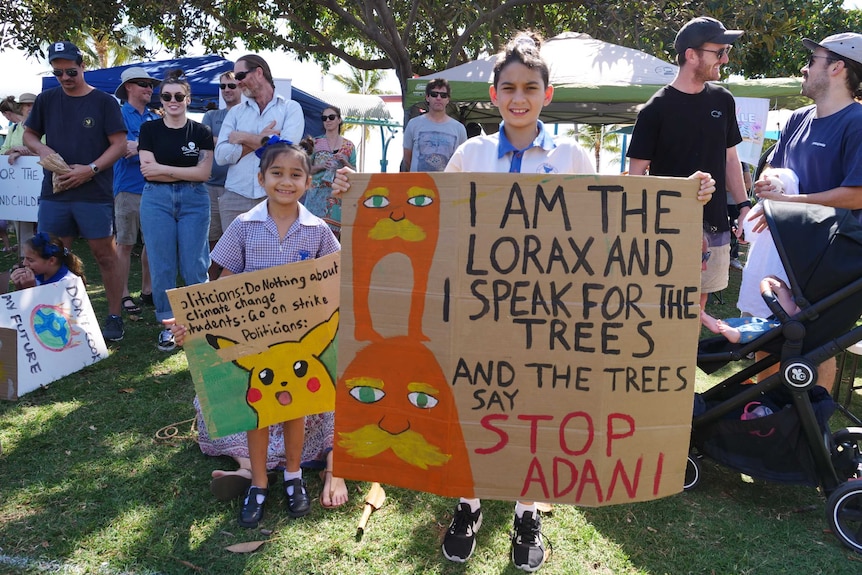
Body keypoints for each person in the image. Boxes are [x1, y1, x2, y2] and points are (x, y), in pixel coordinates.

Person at [330, 32, 714, 571]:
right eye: (508, 88)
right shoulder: (472, 152)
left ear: (546, 95)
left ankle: (528, 510)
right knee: (473, 403)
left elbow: (613, 216)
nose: (518, 98)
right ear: (493, 95)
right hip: (476, 311)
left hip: (548, 317)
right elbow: (432, 214)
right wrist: (355, 188)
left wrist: (684, 194)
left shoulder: (573, 156)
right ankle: (468, 503)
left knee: (538, 408)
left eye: (529, 88)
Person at [169, 137, 342, 528]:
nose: (286, 181)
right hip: (253, 344)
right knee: (258, 413)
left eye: (296, 174)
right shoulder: (244, 226)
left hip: (298, 346)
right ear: (261, 178)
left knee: (296, 408)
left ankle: (295, 477)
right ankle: (260, 484)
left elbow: (335, 282)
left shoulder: (318, 231)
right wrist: (192, 325)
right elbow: (222, 291)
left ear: (309, 182)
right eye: (277, 174)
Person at [750, 33, 862, 392]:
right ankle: (766, 417)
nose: (804, 65)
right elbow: (776, 170)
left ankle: (808, 432)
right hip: (785, 250)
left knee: (813, 347)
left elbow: (857, 195)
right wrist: (768, 186)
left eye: (813, 58)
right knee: (765, 336)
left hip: (832, 258)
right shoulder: (797, 119)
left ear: (836, 67)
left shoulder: (858, 122)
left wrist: (787, 206)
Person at [627, 16, 750, 319]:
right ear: (691, 55)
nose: (726, 58)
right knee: (662, 311)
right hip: (667, 231)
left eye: (726, 51)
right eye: (719, 52)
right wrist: (681, 193)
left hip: (716, 226)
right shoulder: (654, 110)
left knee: (698, 310)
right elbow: (635, 179)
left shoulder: (723, 100)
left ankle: (684, 366)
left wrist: (745, 205)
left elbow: (730, 159)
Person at [23, 41, 128, 342]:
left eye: (71, 71)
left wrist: (90, 169)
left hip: (94, 192)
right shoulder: (46, 100)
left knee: (104, 255)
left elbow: (119, 145)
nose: (66, 78)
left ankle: (114, 316)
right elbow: (30, 134)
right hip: (54, 193)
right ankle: (57, 318)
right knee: (53, 255)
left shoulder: (104, 102)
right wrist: (43, 149)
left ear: (83, 66)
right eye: (58, 73)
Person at [138, 71, 213, 352]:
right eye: (167, 96)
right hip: (156, 200)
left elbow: (203, 173)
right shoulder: (149, 130)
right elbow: (148, 171)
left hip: (194, 200)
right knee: (162, 265)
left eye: (179, 96)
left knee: (195, 264)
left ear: (188, 99)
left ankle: (200, 326)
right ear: (161, 100)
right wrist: (183, 172)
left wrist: (164, 169)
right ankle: (169, 327)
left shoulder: (201, 131)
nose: (173, 101)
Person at [195, 398, 348, 509]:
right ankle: (251, 468)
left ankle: (334, 468)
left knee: (335, 387)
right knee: (207, 398)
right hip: (258, 400)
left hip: (304, 408)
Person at [214, 54, 305, 232]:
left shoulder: (291, 108)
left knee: (273, 258)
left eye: (240, 76)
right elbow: (220, 156)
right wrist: (266, 141)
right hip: (235, 197)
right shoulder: (235, 113)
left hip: (275, 197)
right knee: (233, 260)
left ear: (258, 72)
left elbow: (285, 155)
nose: (238, 82)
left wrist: (244, 137)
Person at [113, 67, 160, 319]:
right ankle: (122, 295)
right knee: (125, 244)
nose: (149, 88)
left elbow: (159, 148)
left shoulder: (154, 118)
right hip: (128, 189)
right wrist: (149, 148)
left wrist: (140, 145)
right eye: (143, 83)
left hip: (153, 189)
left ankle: (147, 291)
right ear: (128, 87)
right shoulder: (118, 115)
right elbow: (121, 149)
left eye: (151, 84)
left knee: (152, 244)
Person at [202, 71, 241, 279]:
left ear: (241, 87)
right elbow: (204, 139)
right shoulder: (212, 115)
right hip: (210, 186)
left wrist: (223, 141)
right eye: (223, 86)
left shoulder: (247, 115)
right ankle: (211, 286)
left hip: (237, 189)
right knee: (211, 239)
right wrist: (238, 140)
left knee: (234, 241)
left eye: (231, 86)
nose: (227, 90)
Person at [305, 105, 356, 237]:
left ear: (339, 120)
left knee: (332, 240)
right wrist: (322, 166)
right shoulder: (315, 142)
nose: (328, 120)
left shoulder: (348, 146)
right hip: (315, 196)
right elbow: (305, 169)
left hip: (336, 197)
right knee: (311, 236)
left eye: (331, 117)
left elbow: (356, 172)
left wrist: (345, 162)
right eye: (324, 118)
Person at [701, 276, 798, 343]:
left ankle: (739, 334)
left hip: (791, 326)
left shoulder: (812, 293)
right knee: (755, 321)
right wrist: (785, 287)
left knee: (766, 327)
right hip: (782, 321)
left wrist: (782, 291)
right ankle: (724, 324)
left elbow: (790, 313)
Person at [402, 78, 467, 172]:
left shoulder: (459, 128)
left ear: (448, 99)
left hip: (448, 185)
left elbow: (462, 160)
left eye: (443, 95)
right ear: (427, 97)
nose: (438, 98)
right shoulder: (413, 124)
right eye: (434, 94)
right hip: (418, 184)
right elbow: (408, 159)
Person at [10, 232, 86, 290]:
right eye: (24, 258)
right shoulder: (37, 275)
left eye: (30, 260)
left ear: (52, 260)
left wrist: (30, 289)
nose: (24, 263)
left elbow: (49, 309)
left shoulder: (69, 284)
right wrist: (20, 287)